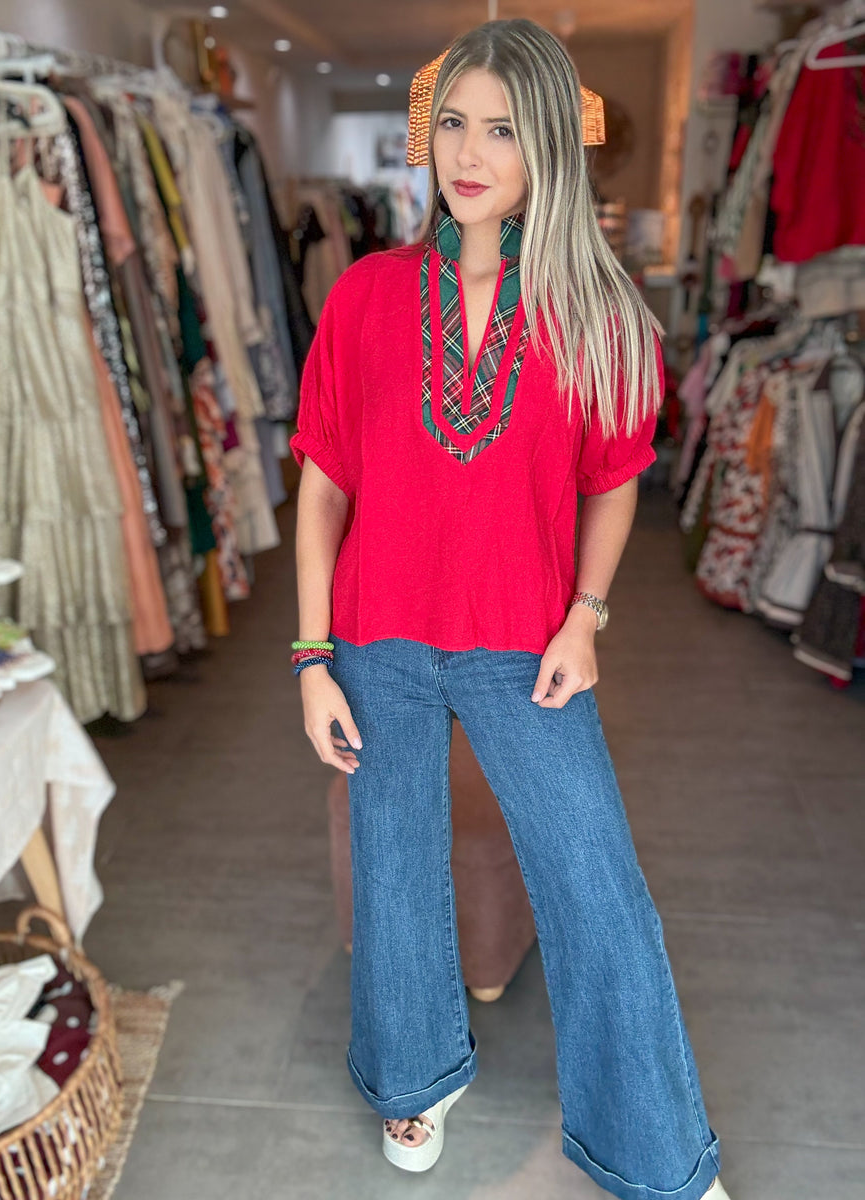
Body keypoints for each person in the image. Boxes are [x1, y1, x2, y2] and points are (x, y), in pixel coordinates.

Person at [291, 18, 731, 1200]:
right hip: (376, 636)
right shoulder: (371, 296)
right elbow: (324, 481)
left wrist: (585, 616)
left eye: (502, 129)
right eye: (452, 123)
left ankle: (653, 1151)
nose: (469, 152)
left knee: (596, 884)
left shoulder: (596, 310)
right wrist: (309, 655)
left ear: (547, 149)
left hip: (521, 639)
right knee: (391, 866)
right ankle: (413, 1078)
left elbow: (612, 486)